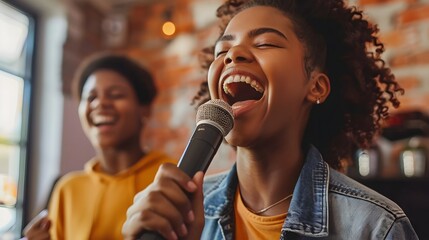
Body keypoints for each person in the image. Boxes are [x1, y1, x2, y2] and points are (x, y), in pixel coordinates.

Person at [122, 0, 419, 239]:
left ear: (316, 87)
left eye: (265, 43)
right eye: (222, 50)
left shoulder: (376, 227)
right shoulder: (180, 215)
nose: (233, 55)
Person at [23, 53, 176, 240]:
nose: (100, 103)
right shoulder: (67, 189)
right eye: (90, 97)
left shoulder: (169, 177)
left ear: (145, 109)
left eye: (116, 95)